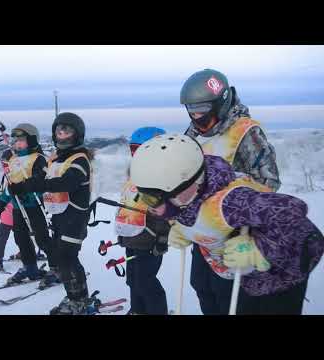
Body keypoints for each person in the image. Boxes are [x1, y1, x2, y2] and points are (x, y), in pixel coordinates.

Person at [129, 134, 324, 314]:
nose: (149, 206)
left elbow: (307, 234)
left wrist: (261, 251)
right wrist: (184, 229)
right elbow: (198, 214)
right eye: (143, 196)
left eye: (152, 198)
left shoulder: (233, 202)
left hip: (275, 287)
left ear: (185, 189)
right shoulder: (188, 198)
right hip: (238, 281)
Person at [180, 69, 281, 314]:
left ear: (221, 103)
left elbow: (269, 182)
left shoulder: (245, 132)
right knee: (201, 286)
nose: (197, 117)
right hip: (202, 231)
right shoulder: (193, 133)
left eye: (203, 110)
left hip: (234, 234)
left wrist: (247, 224)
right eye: (191, 110)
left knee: (227, 296)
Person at [10, 112, 93, 314]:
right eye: (59, 130)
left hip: (74, 217)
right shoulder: (55, 158)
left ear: (77, 134)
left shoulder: (79, 159)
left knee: (67, 257)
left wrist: (32, 186)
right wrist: (22, 185)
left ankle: (79, 299)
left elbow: (67, 182)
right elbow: (41, 176)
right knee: (63, 257)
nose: (62, 134)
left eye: (67, 130)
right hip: (59, 216)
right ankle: (74, 296)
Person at [115, 127, 170, 315]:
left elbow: (166, 213)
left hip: (150, 239)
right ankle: (138, 310)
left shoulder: (163, 177)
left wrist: (162, 238)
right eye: (133, 150)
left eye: (140, 150)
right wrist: (122, 232)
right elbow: (126, 203)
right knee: (132, 279)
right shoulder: (133, 174)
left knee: (145, 281)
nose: (135, 155)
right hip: (132, 236)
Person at [0, 123, 55, 284]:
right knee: (21, 238)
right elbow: (11, 183)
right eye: (15, 140)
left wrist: (26, 191)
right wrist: (3, 199)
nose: (17, 143)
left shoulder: (39, 159)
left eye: (22, 140)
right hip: (17, 207)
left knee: (42, 238)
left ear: (32, 140)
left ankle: (58, 267)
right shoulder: (13, 160)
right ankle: (30, 266)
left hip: (33, 205)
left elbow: (41, 182)